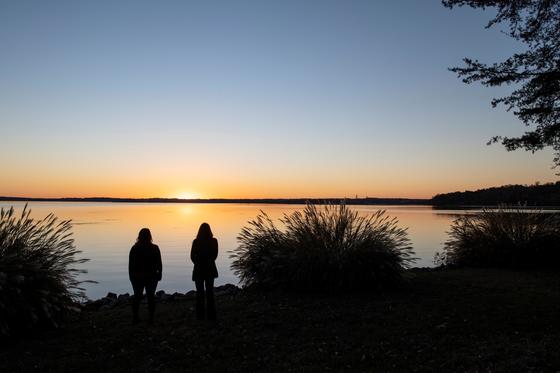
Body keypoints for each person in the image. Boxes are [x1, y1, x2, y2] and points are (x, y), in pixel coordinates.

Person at [128, 228, 162, 324]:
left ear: (139, 236)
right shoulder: (155, 248)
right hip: (151, 277)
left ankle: (135, 317)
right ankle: (151, 318)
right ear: (150, 236)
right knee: (151, 297)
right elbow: (159, 263)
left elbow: (130, 265)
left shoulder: (134, 248)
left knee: (137, 297)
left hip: (137, 277)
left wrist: (131, 277)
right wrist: (160, 274)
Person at [190, 223, 218, 320]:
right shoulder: (214, 241)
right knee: (210, 292)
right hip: (210, 269)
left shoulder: (196, 241)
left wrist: (197, 263)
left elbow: (192, 256)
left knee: (200, 293)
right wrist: (208, 261)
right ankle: (211, 315)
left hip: (198, 270)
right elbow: (215, 255)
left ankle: (200, 316)